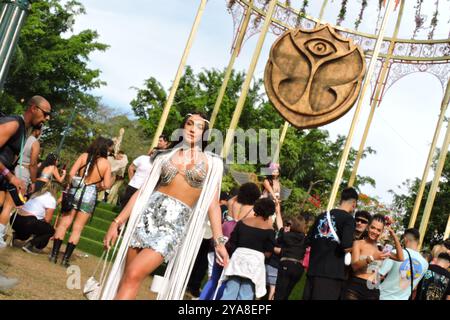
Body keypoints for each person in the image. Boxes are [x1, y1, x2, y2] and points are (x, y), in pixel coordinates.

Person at [101, 112, 228, 300]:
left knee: (134, 273)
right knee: (127, 277)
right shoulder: (164, 157)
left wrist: (218, 241)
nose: (193, 129)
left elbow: (213, 205)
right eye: (189, 124)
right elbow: (143, 192)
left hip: (172, 227)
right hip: (145, 218)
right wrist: (117, 222)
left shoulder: (213, 164)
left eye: (199, 127)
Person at [49, 137, 113, 267]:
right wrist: (96, 186)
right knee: (77, 228)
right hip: (89, 195)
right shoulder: (106, 163)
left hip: (75, 191)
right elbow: (106, 185)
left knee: (64, 223)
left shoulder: (84, 156)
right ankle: (65, 259)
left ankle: (54, 254)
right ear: (105, 148)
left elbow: (71, 174)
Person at [0, 96, 52, 248]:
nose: (47, 118)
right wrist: (10, 176)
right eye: (45, 113)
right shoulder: (14, 123)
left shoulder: (24, 130)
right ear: (34, 108)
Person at [199, 183, 261, 300]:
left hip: (222, 236)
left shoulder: (232, 202)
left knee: (214, 277)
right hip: (235, 241)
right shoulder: (253, 211)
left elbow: (233, 197)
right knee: (226, 279)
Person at [303, 187, 358, 300]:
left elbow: (308, 240)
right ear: (354, 203)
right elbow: (346, 245)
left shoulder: (321, 216)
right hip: (331, 275)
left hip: (313, 271)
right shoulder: (348, 219)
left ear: (341, 200)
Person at [221, 198, 276, 300]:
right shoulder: (270, 230)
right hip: (255, 264)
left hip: (238, 260)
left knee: (229, 293)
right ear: (270, 212)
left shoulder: (242, 223)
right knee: (246, 295)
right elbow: (268, 252)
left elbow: (232, 242)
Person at [343, 214, 404, 300]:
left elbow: (400, 258)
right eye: (373, 228)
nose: (375, 232)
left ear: (382, 232)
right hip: (356, 288)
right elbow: (354, 266)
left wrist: (394, 235)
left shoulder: (381, 248)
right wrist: (372, 257)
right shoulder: (359, 243)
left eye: (379, 230)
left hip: (373, 289)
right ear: (368, 227)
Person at [379, 228, 429, 300]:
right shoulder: (425, 263)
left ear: (405, 239)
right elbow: (415, 287)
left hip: (383, 296)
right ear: (418, 242)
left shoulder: (395, 253)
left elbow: (379, 275)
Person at [11, 181, 58, 254]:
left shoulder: (36, 194)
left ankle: (15, 235)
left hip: (15, 218)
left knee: (28, 231)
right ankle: (30, 245)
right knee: (50, 230)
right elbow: (47, 220)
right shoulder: (51, 199)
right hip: (27, 221)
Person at [274, 216, 307, 300]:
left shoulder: (287, 235)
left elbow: (277, 241)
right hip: (298, 267)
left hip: (287, 263)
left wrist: (284, 232)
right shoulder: (304, 238)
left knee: (279, 293)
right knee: (286, 294)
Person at [14, 126, 41, 194]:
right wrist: (33, 182)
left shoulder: (23, 138)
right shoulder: (35, 142)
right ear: (37, 131)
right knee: (15, 202)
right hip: (23, 174)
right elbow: (32, 164)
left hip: (14, 169)